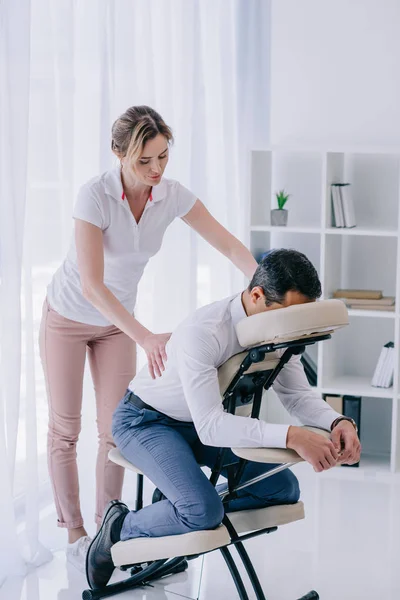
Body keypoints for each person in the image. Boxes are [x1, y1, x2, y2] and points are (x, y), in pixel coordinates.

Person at [39, 105, 258, 572]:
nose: (157, 170)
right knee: (65, 429)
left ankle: (106, 530)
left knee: (112, 431)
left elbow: (226, 243)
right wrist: (145, 337)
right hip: (67, 317)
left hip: (116, 324)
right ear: (119, 154)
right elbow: (93, 286)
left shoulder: (171, 195)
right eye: (145, 161)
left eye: (163, 156)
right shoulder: (93, 197)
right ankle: (75, 534)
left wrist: (265, 281)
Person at [86, 249, 361, 589]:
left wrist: (338, 422)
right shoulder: (204, 332)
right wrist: (292, 436)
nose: (296, 327)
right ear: (257, 295)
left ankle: (182, 501)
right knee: (203, 512)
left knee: (281, 487)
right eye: (291, 314)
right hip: (147, 421)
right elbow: (212, 425)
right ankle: (118, 527)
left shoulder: (279, 329)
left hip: (201, 425)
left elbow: (298, 396)